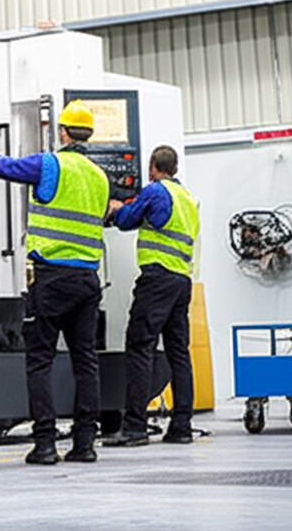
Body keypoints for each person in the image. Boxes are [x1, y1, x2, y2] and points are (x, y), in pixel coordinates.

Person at [0, 100, 110, 465]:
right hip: (88, 279)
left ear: (62, 132)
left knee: (40, 359)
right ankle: (85, 443)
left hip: (52, 279)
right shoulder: (100, 177)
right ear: (88, 136)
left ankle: (45, 444)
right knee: (85, 361)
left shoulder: (49, 164)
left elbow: (7, 167)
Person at [105, 145, 200, 446]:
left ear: (152, 168)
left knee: (140, 346)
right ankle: (182, 426)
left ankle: (134, 426)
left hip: (157, 278)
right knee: (178, 352)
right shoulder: (187, 199)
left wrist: (117, 210)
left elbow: (128, 220)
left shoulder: (156, 191)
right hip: (182, 281)